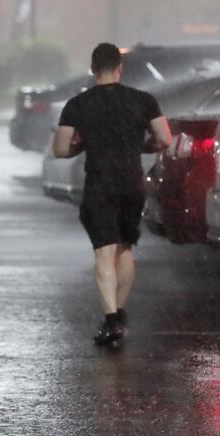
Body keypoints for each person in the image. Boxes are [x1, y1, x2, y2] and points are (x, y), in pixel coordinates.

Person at [52, 42, 172, 346]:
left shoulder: (78, 105)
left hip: (99, 185)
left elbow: (60, 149)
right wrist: (138, 147)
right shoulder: (143, 100)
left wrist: (83, 145)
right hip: (132, 185)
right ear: (120, 67)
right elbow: (164, 139)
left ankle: (111, 321)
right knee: (125, 249)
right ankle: (119, 311)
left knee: (103, 252)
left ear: (93, 70)